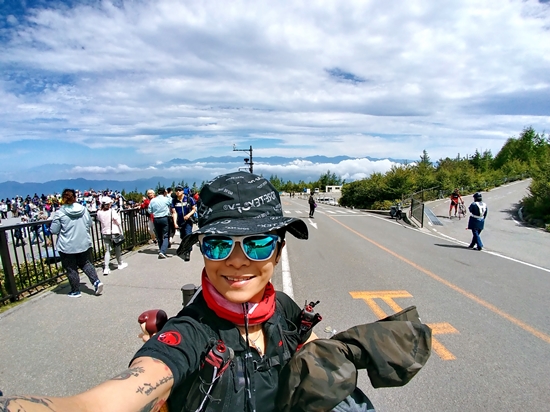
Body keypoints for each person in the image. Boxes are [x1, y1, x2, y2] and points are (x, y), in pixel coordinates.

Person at [49, 188, 103, 298]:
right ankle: (96, 282)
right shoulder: (83, 209)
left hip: (66, 245)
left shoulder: (60, 213)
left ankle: (75, 290)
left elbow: (54, 230)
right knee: (86, 263)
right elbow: (90, 224)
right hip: (83, 242)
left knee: (71, 268)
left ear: (63, 199)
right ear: (75, 197)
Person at [96, 197, 128, 275]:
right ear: (109, 204)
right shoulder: (112, 211)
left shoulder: (99, 212)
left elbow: (99, 220)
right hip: (113, 232)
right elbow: (118, 222)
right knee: (117, 248)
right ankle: (120, 264)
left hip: (105, 232)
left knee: (108, 250)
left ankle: (106, 268)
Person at [172, 185, 196, 262]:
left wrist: (188, 215)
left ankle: (187, 252)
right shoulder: (174, 200)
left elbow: (194, 209)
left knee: (188, 235)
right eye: (176, 190)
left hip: (188, 221)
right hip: (180, 221)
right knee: (182, 236)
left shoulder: (189, 199)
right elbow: (174, 212)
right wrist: (175, 223)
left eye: (179, 190)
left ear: (183, 191)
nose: (178, 192)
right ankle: (186, 247)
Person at [148, 187, 173, 259]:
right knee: (165, 235)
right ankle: (163, 251)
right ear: (164, 192)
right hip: (164, 218)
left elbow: (150, 211)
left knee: (159, 236)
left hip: (156, 218)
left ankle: (161, 249)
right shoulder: (166, 199)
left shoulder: (153, 200)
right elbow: (171, 202)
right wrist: (168, 195)